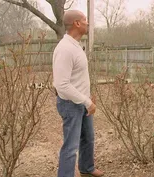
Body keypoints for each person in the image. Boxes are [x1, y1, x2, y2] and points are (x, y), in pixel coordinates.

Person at [53, 10, 104, 177]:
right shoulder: (65, 49)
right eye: (85, 20)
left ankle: (87, 168)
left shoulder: (75, 46)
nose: (88, 23)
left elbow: (77, 76)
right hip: (70, 105)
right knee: (71, 146)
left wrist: (87, 96)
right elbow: (62, 84)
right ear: (77, 23)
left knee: (88, 138)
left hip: (82, 102)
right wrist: (87, 101)